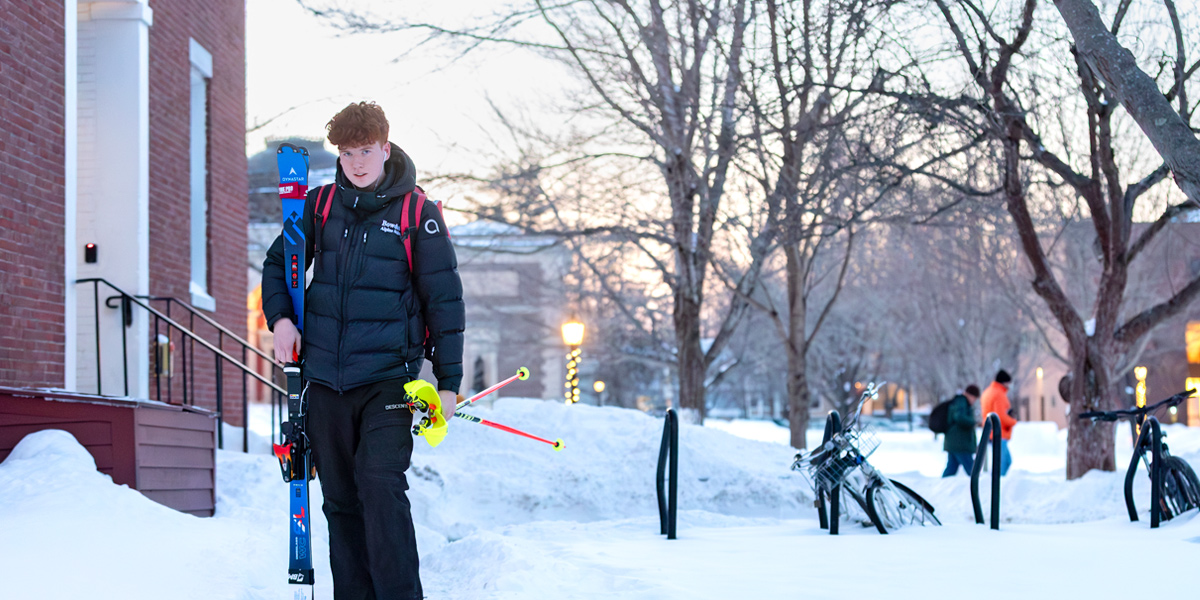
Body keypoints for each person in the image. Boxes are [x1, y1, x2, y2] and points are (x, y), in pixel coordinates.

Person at [261, 101, 464, 600]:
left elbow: (445, 301)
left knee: (380, 485)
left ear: (385, 148)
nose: (356, 162)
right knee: (341, 501)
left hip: (388, 380)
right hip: (325, 379)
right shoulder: (320, 206)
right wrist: (282, 318)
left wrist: (449, 382)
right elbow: (276, 266)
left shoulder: (420, 215)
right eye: (348, 152)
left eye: (366, 150)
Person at [980, 369, 1017, 475]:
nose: (1009, 386)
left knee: (1004, 461)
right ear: (1004, 382)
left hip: (990, 431)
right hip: (999, 432)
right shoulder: (999, 394)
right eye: (1008, 383)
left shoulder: (988, 392)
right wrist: (1013, 421)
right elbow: (1000, 416)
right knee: (1003, 462)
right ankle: (999, 486)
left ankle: (998, 483)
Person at [941, 384, 980, 477]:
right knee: (972, 471)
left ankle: (940, 487)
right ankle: (980, 488)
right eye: (974, 398)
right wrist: (974, 422)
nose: (974, 401)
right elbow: (959, 417)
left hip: (955, 442)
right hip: (960, 443)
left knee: (951, 469)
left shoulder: (959, 401)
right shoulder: (961, 401)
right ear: (970, 395)